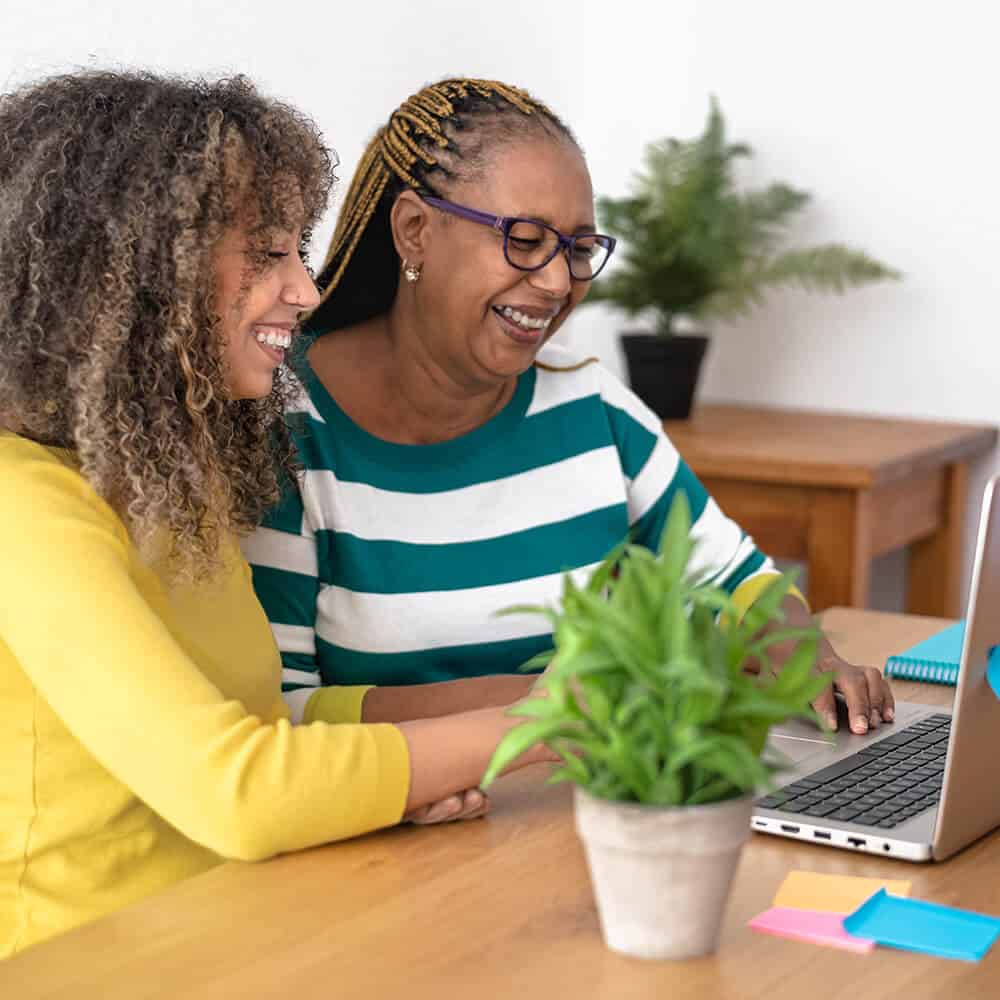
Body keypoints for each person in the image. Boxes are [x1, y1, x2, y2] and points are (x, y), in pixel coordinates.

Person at [0, 71, 548, 958]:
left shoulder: (171, 481)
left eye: (297, 249)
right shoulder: (19, 505)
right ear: (131, 271)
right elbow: (238, 788)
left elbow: (259, 729)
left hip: (229, 932)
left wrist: (442, 753)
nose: (307, 290)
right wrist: (551, 726)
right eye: (265, 253)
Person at [244, 78, 895, 740]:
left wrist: (804, 649)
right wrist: (545, 703)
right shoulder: (286, 434)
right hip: (396, 834)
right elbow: (286, 709)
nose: (558, 282)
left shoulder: (590, 406)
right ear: (415, 230)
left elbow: (737, 581)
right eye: (524, 240)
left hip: (582, 812)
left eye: (578, 249)